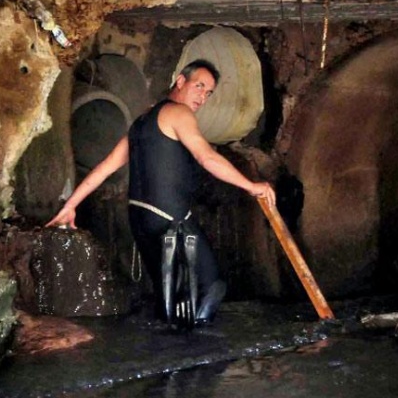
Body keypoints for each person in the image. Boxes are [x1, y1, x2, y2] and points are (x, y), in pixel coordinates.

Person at [46, 59, 275, 326]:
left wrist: (70, 205)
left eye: (209, 92)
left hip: (141, 222)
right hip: (169, 219)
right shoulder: (179, 114)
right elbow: (207, 157)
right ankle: (194, 347)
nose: (203, 96)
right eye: (199, 86)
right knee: (210, 288)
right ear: (180, 81)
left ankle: (168, 344)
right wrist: (251, 186)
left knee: (171, 298)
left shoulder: (142, 121)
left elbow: (106, 167)